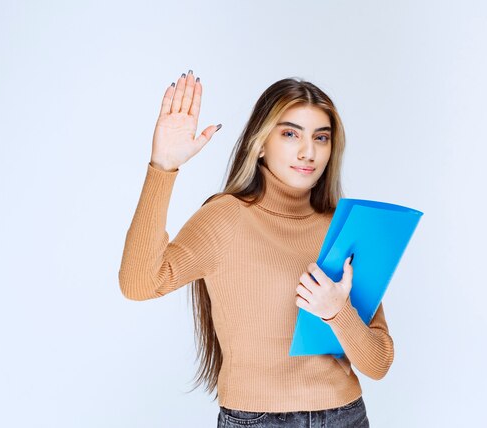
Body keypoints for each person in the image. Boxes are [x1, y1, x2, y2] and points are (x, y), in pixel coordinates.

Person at [118, 69, 394, 427]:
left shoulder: (343, 229)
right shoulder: (225, 217)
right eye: (290, 134)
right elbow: (139, 283)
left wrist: (337, 312)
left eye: (321, 138)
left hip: (345, 416)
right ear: (260, 143)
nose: (308, 151)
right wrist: (163, 168)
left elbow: (379, 363)